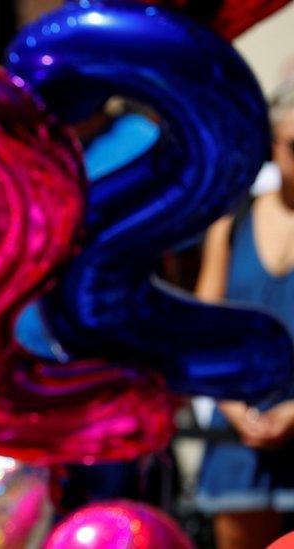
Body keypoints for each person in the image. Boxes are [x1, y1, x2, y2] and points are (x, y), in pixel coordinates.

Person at [194, 83, 294, 549]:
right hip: (239, 434)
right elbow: (201, 329)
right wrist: (238, 410)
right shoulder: (232, 221)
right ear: (274, 143)